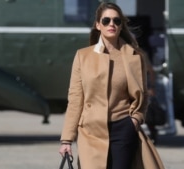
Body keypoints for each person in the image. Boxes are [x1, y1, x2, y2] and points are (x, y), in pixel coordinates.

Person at [59, 2, 149, 169]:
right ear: (98, 25)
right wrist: (67, 139)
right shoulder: (82, 56)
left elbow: (143, 95)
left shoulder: (135, 57)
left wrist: (135, 120)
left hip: (123, 129)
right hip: (90, 131)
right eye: (106, 20)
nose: (112, 24)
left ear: (122, 25)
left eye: (117, 21)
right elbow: (75, 99)